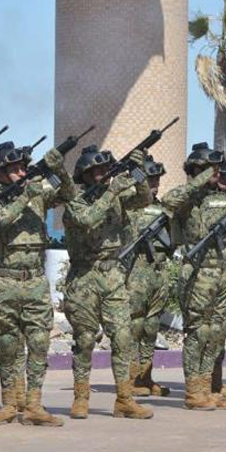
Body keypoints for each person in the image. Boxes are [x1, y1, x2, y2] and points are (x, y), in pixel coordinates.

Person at [0, 141, 75, 425]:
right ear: (1, 173)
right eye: (15, 169)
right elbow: (0, 221)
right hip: (6, 280)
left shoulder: (37, 194)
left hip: (35, 279)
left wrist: (59, 167)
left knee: (38, 342)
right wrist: (26, 196)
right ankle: (10, 403)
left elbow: (69, 194)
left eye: (24, 168)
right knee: (9, 344)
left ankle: (34, 404)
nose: (23, 172)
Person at [63, 144, 154, 420]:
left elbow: (144, 199)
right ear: (85, 174)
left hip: (112, 273)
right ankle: (80, 397)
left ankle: (125, 398)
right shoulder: (75, 198)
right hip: (84, 276)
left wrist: (138, 172)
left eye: (106, 170)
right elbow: (87, 220)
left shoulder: (115, 195)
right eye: (98, 171)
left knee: (123, 336)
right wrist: (112, 191)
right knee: (85, 339)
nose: (104, 175)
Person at [163, 143, 226, 410]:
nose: (216, 175)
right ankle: (194, 390)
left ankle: (208, 386)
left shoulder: (224, 200)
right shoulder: (188, 200)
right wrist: (200, 179)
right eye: (210, 170)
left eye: (217, 170)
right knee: (198, 332)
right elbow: (168, 200)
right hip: (199, 273)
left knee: (217, 333)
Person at [126, 157, 174, 398]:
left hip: (159, 269)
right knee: (135, 324)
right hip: (137, 269)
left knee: (152, 325)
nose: (154, 183)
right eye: (150, 179)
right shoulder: (131, 207)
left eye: (156, 179)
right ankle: (131, 377)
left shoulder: (164, 207)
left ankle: (146, 375)